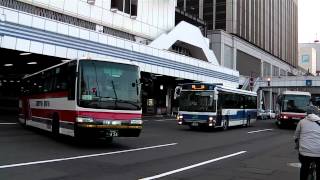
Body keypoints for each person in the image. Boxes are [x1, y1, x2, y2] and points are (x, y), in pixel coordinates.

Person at [294, 105, 320, 180]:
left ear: (307, 113)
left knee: (304, 167)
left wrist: (297, 143)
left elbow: (296, 136)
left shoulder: (301, 122)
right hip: (318, 152)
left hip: (305, 153)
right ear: (317, 113)